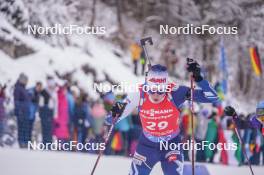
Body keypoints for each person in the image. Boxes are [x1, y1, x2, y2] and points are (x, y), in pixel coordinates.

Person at [108, 59, 219, 175]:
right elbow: (110, 121)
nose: (156, 94)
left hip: (171, 145)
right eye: (152, 89)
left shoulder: (175, 93)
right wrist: (114, 113)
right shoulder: (138, 94)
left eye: (161, 90)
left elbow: (213, 98)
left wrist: (199, 78)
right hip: (146, 146)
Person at [13, 73, 31, 148]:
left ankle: (25, 142)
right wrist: (18, 110)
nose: (27, 81)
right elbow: (16, 101)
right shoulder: (18, 88)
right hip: (21, 111)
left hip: (25, 111)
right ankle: (21, 142)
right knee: (21, 127)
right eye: (25, 80)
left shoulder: (24, 88)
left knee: (25, 127)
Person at [39, 76, 57, 146]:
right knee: (45, 129)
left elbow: (55, 104)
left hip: (51, 113)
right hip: (45, 112)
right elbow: (41, 104)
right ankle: (45, 143)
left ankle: (49, 143)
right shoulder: (44, 92)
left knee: (50, 129)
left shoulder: (54, 92)